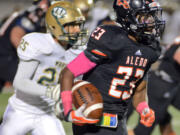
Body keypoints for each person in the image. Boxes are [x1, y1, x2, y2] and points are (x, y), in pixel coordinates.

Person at [59, 0, 165, 135]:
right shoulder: (111, 39)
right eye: (144, 16)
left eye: (152, 16)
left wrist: (144, 108)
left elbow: (139, 90)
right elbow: (68, 73)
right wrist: (68, 111)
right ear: (128, 18)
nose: (152, 21)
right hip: (91, 118)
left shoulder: (151, 48)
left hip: (118, 122)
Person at [0, 1, 87, 135]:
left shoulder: (77, 51)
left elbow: (72, 85)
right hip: (21, 110)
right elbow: (20, 82)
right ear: (55, 26)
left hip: (47, 114)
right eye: (72, 25)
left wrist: (67, 107)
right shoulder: (39, 44)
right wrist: (50, 92)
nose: (77, 30)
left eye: (78, 25)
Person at [128, 36, 180, 135]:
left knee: (164, 118)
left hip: (170, 84)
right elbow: (178, 57)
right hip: (162, 85)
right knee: (143, 131)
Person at [0, 0, 49, 93]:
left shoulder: (29, 13)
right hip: (6, 57)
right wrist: (31, 57)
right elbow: (15, 37)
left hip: (6, 56)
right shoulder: (33, 16)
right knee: (31, 82)